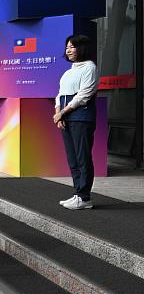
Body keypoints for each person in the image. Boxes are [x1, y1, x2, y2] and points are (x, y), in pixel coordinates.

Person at [54, 35, 99, 210]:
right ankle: (78, 193)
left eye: (72, 47)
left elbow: (84, 95)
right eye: (67, 47)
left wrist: (63, 112)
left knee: (83, 157)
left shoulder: (90, 68)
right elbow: (60, 94)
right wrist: (58, 113)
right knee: (72, 159)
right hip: (67, 117)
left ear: (82, 48)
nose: (68, 50)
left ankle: (85, 197)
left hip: (81, 117)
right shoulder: (68, 72)